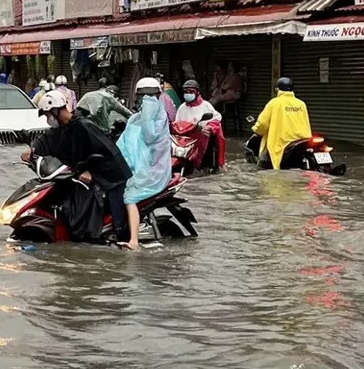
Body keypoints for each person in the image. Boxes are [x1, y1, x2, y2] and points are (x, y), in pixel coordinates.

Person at [23, 90, 132, 241]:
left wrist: (89, 170)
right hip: (87, 174)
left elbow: (104, 150)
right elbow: (46, 139)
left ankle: (121, 236)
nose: (48, 119)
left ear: (55, 110)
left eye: (48, 114)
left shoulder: (84, 125)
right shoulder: (63, 128)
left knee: (117, 215)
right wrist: (32, 149)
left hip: (111, 175)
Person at [116, 78, 172, 250]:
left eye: (151, 97)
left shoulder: (160, 118)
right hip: (132, 168)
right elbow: (122, 145)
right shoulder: (134, 119)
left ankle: (134, 241)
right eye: (144, 97)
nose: (147, 101)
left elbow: (150, 137)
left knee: (129, 197)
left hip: (151, 171)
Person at [252, 77, 311, 169]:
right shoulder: (301, 104)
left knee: (264, 166)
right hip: (302, 140)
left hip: (282, 142)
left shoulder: (274, 103)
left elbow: (262, 123)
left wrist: (256, 130)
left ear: (277, 89)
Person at [176, 80, 226, 169]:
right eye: (186, 92)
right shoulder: (182, 107)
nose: (188, 94)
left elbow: (216, 119)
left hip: (202, 137)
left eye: (191, 92)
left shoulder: (206, 105)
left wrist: (208, 127)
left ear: (197, 92)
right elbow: (177, 124)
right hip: (186, 139)